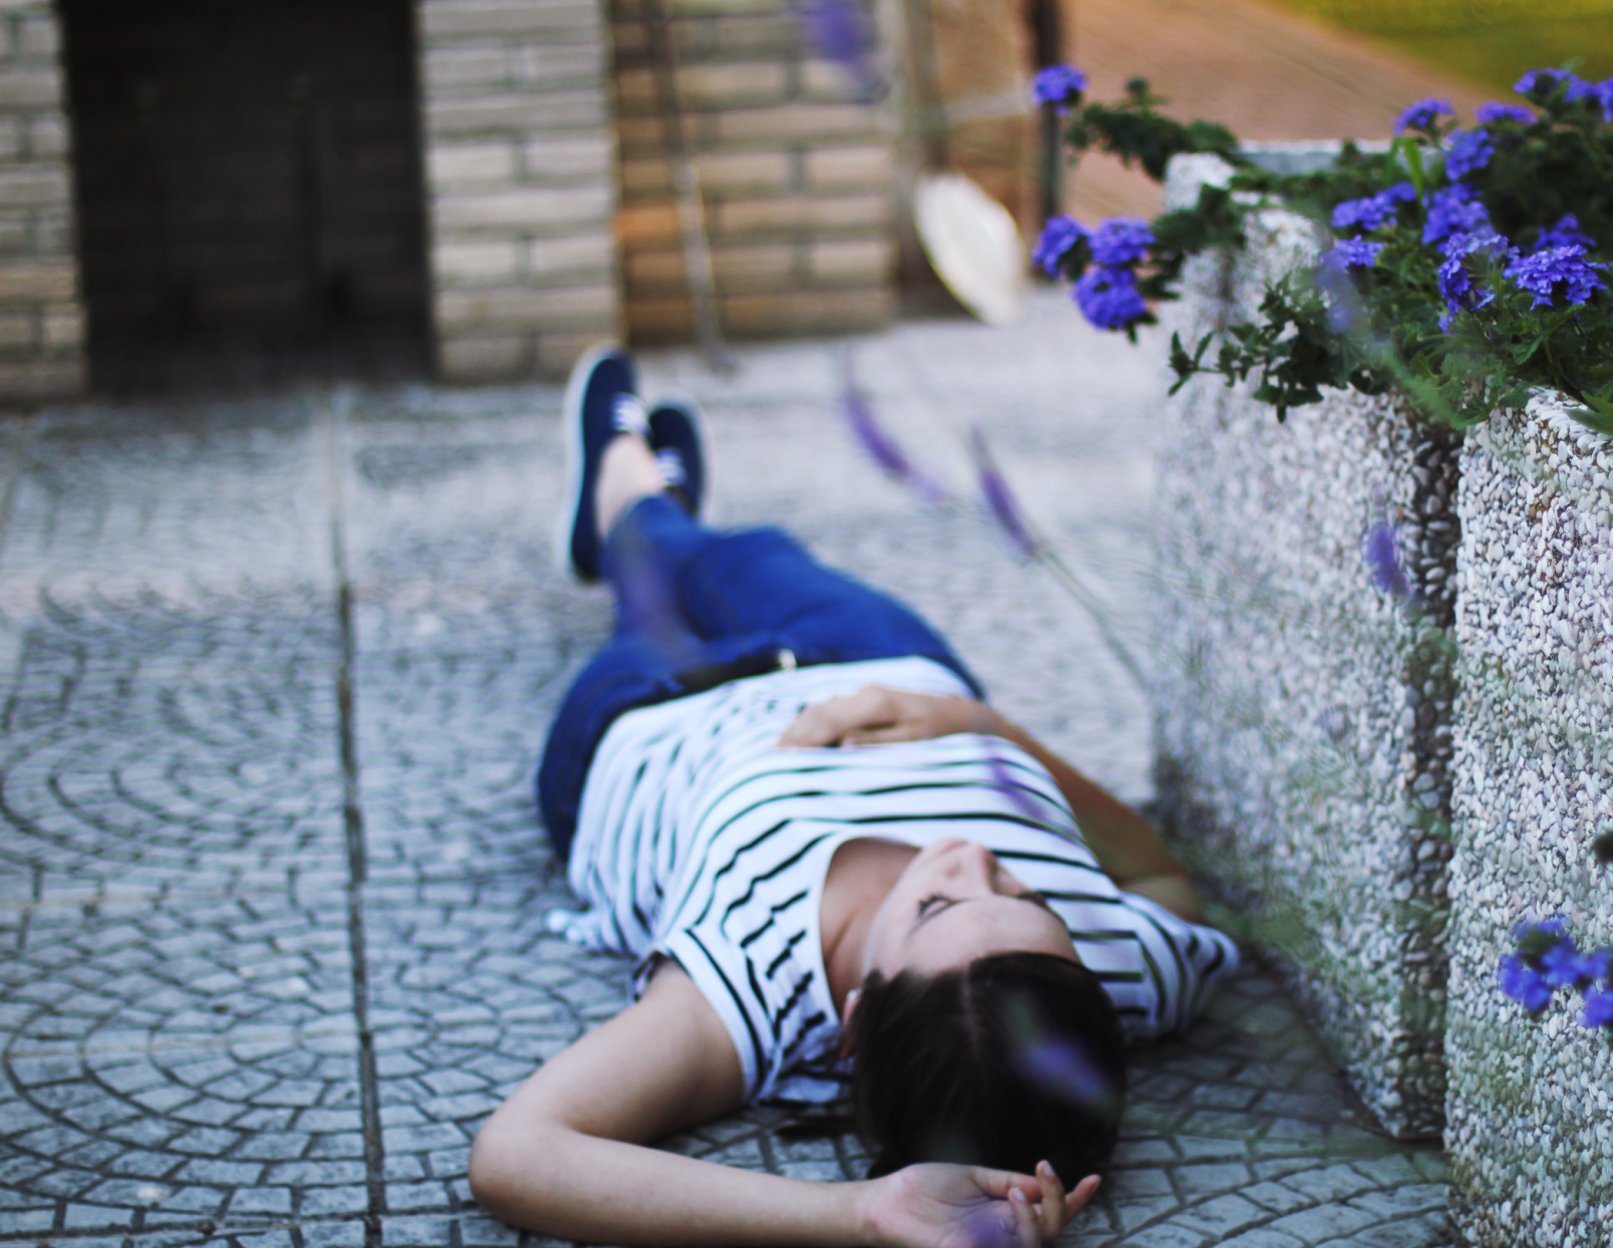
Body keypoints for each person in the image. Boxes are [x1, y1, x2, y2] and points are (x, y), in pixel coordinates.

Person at [468, 346, 1239, 1247]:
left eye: (939, 905)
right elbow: (1164, 884)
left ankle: (627, 472)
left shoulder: (750, 985)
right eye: (1029, 897)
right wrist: (981, 724)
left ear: (857, 1016)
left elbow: (517, 1154)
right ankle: (658, 501)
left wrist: (860, 1216)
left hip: (660, 711)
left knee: (651, 566)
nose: (974, 856)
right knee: (753, 552)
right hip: (877, 665)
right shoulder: (1096, 973)